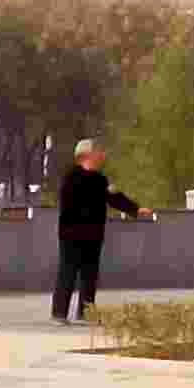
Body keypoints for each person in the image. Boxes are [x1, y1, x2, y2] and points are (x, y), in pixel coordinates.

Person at [52, 138, 147, 324]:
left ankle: (86, 313)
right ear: (88, 155)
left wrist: (134, 209)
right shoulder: (71, 177)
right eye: (99, 152)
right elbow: (68, 206)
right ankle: (59, 313)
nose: (102, 156)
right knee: (67, 273)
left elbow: (114, 197)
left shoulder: (100, 179)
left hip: (93, 235)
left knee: (90, 275)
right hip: (72, 235)